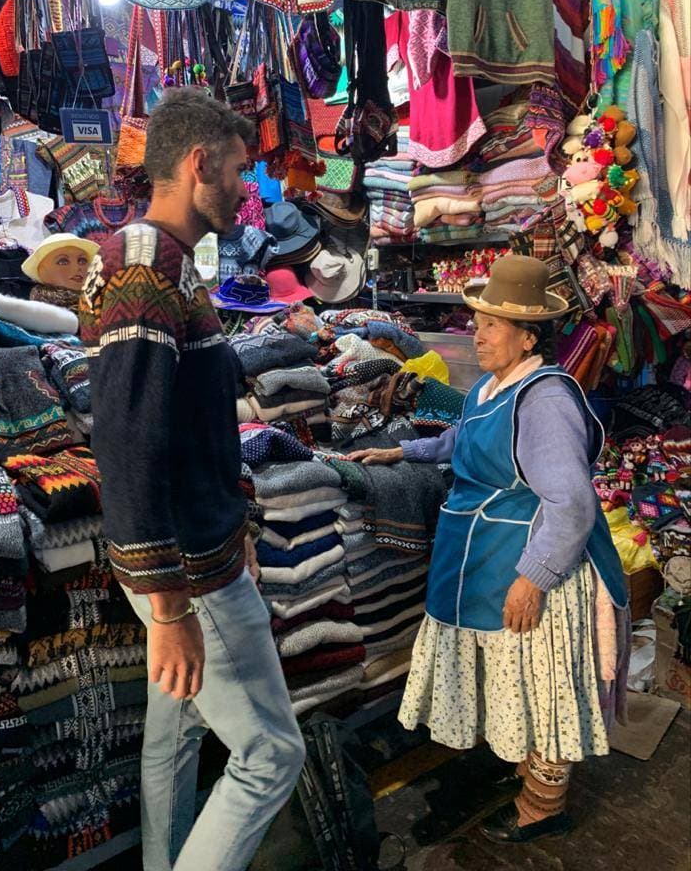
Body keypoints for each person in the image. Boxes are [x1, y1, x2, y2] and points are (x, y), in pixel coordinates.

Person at [79, 88, 305, 871]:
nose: (248, 189)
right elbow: (129, 441)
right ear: (199, 164)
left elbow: (188, 429)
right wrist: (173, 603)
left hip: (194, 556)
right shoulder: (146, 268)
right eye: (240, 171)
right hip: (189, 573)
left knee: (172, 733)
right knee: (272, 755)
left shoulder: (169, 265)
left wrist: (235, 523)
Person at [347, 254, 629, 844]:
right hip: (486, 555)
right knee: (517, 685)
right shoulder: (491, 387)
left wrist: (535, 578)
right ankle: (527, 773)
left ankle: (543, 807)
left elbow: (572, 504)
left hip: (528, 564)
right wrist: (403, 454)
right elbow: (464, 436)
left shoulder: (545, 400)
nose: (477, 333)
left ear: (529, 336)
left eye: (493, 324)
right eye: (478, 320)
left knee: (542, 688)